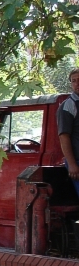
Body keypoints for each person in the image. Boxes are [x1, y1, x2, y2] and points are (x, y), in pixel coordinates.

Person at [57, 67, 79, 196]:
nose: (77, 84)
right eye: (74, 81)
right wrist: (71, 164)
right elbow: (64, 136)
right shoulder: (68, 106)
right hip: (77, 160)